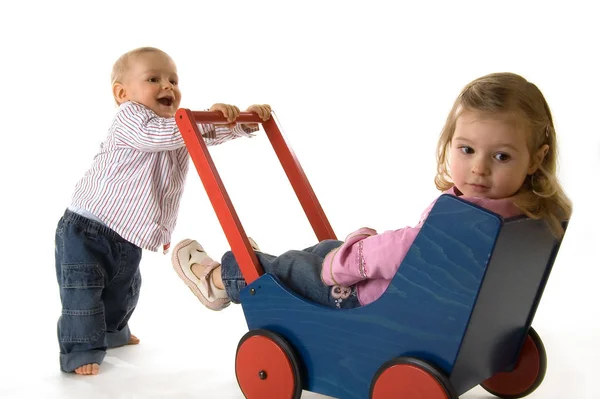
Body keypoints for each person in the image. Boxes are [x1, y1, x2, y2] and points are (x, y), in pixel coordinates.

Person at [171, 72, 572, 313]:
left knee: (294, 270)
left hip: (371, 303)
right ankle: (259, 260)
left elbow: (403, 250)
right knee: (324, 247)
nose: (479, 167)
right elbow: (416, 251)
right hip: (439, 305)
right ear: (449, 144)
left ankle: (224, 278)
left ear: (536, 158)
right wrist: (355, 249)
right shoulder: (528, 217)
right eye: (467, 150)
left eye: (501, 155)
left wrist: (353, 256)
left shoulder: (466, 218)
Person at [54, 46, 271, 375]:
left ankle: (113, 333)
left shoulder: (175, 127)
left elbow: (203, 134)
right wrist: (200, 120)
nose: (167, 87)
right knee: (83, 292)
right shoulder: (131, 119)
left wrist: (240, 121)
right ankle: (80, 351)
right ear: (122, 93)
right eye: (153, 79)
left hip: (127, 232)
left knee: (122, 289)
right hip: (88, 228)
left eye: (173, 79)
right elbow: (161, 135)